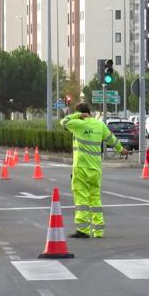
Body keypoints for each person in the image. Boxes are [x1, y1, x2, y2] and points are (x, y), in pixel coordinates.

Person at [60, 102, 130, 238]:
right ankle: (98, 230)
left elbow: (64, 122)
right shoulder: (100, 125)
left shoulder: (78, 124)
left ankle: (83, 230)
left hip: (81, 168)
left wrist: (77, 115)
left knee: (81, 199)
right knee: (95, 199)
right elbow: (111, 139)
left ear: (80, 114)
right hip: (96, 168)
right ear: (90, 112)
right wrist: (121, 149)